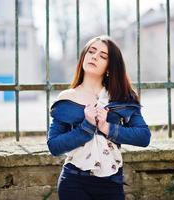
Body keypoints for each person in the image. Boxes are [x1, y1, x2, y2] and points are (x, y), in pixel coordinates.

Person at [47, 35, 151, 200]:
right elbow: (54, 146)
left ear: (110, 67)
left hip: (111, 182)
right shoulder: (67, 98)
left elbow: (144, 137)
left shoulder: (123, 97)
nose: (94, 56)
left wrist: (106, 127)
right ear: (83, 57)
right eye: (91, 51)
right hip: (74, 182)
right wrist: (87, 127)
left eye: (103, 56)